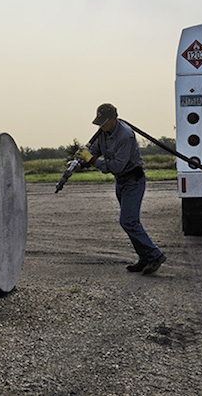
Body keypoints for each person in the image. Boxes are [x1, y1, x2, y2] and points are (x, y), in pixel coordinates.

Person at [76, 103, 166, 275]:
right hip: (122, 181)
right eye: (99, 122)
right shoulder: (103, 133)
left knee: (128, 220)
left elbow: (117, 165)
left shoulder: (126, 136)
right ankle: (145, 257)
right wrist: (82, 161)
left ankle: (155, 255)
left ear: (113, 119)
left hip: (133, 179)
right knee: (129, 222)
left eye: (104, 122)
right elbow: (94, 151)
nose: (101, 125)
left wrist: (93, 161)